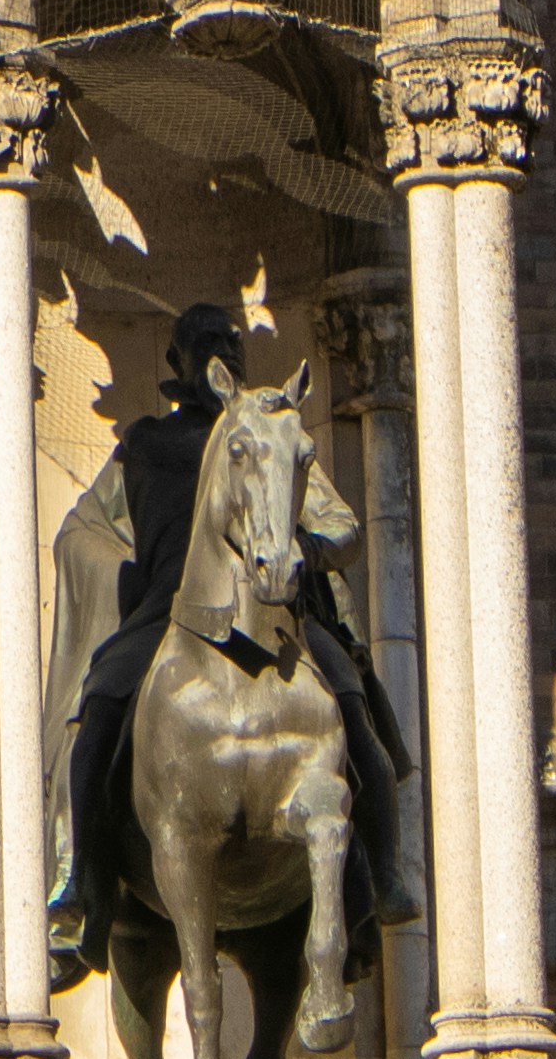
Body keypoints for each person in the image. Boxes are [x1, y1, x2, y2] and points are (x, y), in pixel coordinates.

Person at [43, 298, 422, 995]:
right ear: (179, 363)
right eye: (206, 341)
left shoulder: (271, 432)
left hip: (280, 619)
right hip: (165, 616)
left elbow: (344, 527)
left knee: (350, 697)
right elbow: (80, 530)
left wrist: (297, 547)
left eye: (231, 339)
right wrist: (119, 571)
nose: (225, 349)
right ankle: (78, 885)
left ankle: (380, 877)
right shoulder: (147, 448)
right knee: (97, 708)